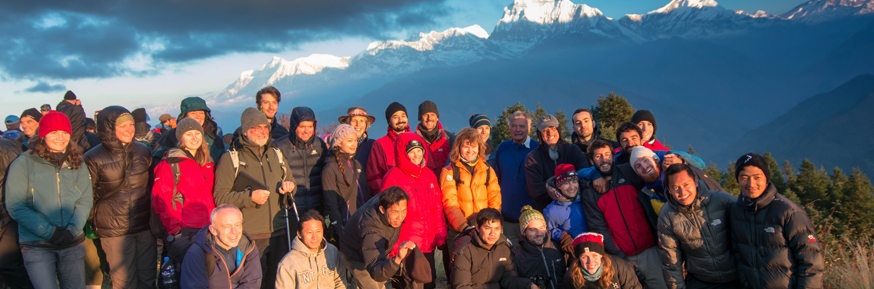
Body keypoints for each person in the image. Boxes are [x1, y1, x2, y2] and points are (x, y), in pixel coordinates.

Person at [5, 111, 93, 289]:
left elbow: (85, 198)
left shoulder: (76, 162)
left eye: (65, 133)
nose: (60, 137)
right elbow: (16, 205)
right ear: (43, 135)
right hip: (37, 243)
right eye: (54, 132)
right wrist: (49, 232)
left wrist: (72, 229)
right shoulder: (24, 164)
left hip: (71, 241)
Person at [84, 106, 156, 289]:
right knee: (124, 282)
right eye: (122, 125)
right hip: (114, 232)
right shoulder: (93, 158)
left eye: (131, 124)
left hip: (143, 227)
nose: (129, 129)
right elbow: (87, 196)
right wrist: (99, 221)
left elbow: (150, 187)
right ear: (109, 128)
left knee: (147, 279)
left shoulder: (142, 152)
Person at [577, 140, 666, 289]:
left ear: (613, 156)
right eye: (598, 156)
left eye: (607, 155)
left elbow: (651, 162)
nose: (604, 159)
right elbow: (599, 229)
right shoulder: (591, 193)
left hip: (651, 250)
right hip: (623, 257)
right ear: (592, 160)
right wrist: (621, 258)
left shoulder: (628, 172)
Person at [729, 153, 824, 288]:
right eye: (744, 177)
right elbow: (738, 255)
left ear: (766, 178)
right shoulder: (736, 211)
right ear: (738, 179)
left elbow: (811, 262)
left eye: (757, 177)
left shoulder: (788, 212)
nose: (751, 184)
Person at [658, 163, 739, 289]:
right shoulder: (668, 216)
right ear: (669, 190)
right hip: (703, 280)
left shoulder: (721, 200)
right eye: (675, 187)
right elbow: (671, 262)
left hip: (737, 276)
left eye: (686, 185)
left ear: (695, 182)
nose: (682, 192)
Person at [381, 132, 447, 288]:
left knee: (429, 282)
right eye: (411, 151)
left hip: (428, 243)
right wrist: (393, 246)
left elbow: (437, 207)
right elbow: (388, 215)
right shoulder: (393, 177)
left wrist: (441, 235)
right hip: (405, 244)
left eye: (419, 150)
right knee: (408, 284)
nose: (416, 155)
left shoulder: (429, 175)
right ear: (403, 153)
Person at [153, 118, 217, 267]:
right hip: (184, 230)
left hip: (207, 227)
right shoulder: (171, 163)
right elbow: (162, 199)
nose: (194, 138)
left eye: (197, 133)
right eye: (189, 134)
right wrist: (175, 231)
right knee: (186, 275)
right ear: (181, 137)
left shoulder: (208, 163)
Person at [339, 187, 413, 289]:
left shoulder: (389, 203)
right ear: (382, 209)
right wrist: (397, 259)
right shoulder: (371, 228)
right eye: (395, 212)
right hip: (354, 254)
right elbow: (376, 271)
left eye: (404, 211)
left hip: (373, 252)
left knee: (379, 284)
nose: (400, 217)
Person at [440, 128, 500, 246]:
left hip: (484, 230)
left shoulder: (487, 170)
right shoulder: (450, 171)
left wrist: (491, 224)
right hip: (459, 231)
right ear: (458, 148)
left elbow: (495, 198)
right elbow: (449, 203)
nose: (470, 150)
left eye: (473, 146)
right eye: (466, 146)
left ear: (479, 148)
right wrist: (464, 227)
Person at [451, 208, 536, 289]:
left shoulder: (504, 246)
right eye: (487, 228)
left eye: (496, 228)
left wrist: (529, 285)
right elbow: (462, 285)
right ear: (477, 228)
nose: (492, 233)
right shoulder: (465, 249)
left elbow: (508, 279)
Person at [181, 204, 262, 288]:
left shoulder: (248, 247)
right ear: (213, 230)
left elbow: (252, 283)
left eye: (237, 225)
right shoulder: (196, 253)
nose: (234, 231)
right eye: (227, 226)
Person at [525, 114, 589, 211]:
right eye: (545, 130)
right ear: (539, 134)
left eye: (553, 129)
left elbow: (584, 175)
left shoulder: (573, 150)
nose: (550, 133)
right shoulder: (533, 158)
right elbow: (536, 190)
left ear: (558, 130)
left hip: (577, 208)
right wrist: (563, 194)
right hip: (547, 211)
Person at [274, 106, 328, 221]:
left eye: (310, 126)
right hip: (291, 210)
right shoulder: (280, 146)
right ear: (294, 127)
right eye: (302, 126)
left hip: (317, 210)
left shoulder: (320, 145)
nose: (306, 130)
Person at [494, 110, 539, 243]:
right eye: (514, 126)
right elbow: (497, 179)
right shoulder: (503, 148)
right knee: (509, 258)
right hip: (506, 219)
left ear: (529, 128)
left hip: (531, 219)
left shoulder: (538, 149)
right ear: (509, 128)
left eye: (522, 126)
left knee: (530, 258)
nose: (518, 129)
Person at [275, 210, 346, 289]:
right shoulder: (288, 263)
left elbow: (340, 281)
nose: (314, 237)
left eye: (318, 231)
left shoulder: (332, 251)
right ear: (299, 234)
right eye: (309, 232)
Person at [0, 137, 33, 288]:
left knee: (9, 262)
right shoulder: (11, 145)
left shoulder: (7, 148)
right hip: (9, 213)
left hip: (10, 214)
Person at [322, 124, 364, 242]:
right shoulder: (330, 168)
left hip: (363, 224)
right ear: (338, 143)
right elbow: (331, 204)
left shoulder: (358, 165)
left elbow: (366, 193)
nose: (354, 144)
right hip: (346, 227)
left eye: (355, 140)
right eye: (349, 140)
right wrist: (340, 231)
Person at [153, 96, 225, 164]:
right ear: (184, 116)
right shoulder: (171, 135)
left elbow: (222, 159)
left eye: (201, 113)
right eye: (193, 113)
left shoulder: (215, 132)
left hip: (210, 175)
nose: (198, 116)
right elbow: (156, 160)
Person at [562, 233, 642, 289]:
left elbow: (633, 287)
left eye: (595, 255)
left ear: (601, 255)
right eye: (585, 257)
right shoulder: (571, 277)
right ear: (579, 258)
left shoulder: (619, 266)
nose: (591, 262)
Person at [514, 206, 567, 289]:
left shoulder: (559, 247)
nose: (538, 233)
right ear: (524, 232)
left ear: (546, 229)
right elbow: (512, 281)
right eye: (532, 230)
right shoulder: (517, 256)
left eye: (541, 228)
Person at [366, 102, 410, 195]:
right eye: (395, 117)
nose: (400, 119)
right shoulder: (379, 144)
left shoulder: (416, 140)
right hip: (392, 199)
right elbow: (373, 178)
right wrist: (388, 196)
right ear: (389, 121)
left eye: (403, 115)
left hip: (416, 199)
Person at [338, 107, 377, 201]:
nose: (358, 125)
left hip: (368, 198)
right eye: (354, 120)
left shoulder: (372, 145)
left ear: (366, 124)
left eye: (362, 121)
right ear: (347, 124)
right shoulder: (339, 148)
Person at [544, 164, 588, 242]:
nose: (572, 187)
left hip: (595, 246)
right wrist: (563, 237)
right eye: (566, 183)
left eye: (574, 182)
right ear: (558, 186)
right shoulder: (551, 211)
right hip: (574, 249)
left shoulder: (586, 198)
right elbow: (549, 230)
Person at [414, 100, 451, 177]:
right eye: (425, 115)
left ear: (437, 117)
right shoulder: (413, 140)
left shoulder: (449, 139)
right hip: (423, 187)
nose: (429, 118)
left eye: (432, 114)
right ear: (420, 118)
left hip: (446, 186)